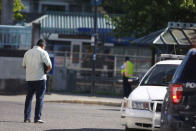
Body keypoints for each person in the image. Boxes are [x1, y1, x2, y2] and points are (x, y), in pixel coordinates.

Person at [22, 39, 52, 123]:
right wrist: (45, 72)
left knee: (29, 98)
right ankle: (37, 118)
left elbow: (24, 66)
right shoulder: (43, 52)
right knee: (39, 98)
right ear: (43, 46)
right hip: (40, 78)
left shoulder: (27, 52)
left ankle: (27, 118)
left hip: (30, 79)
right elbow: (49, 66)